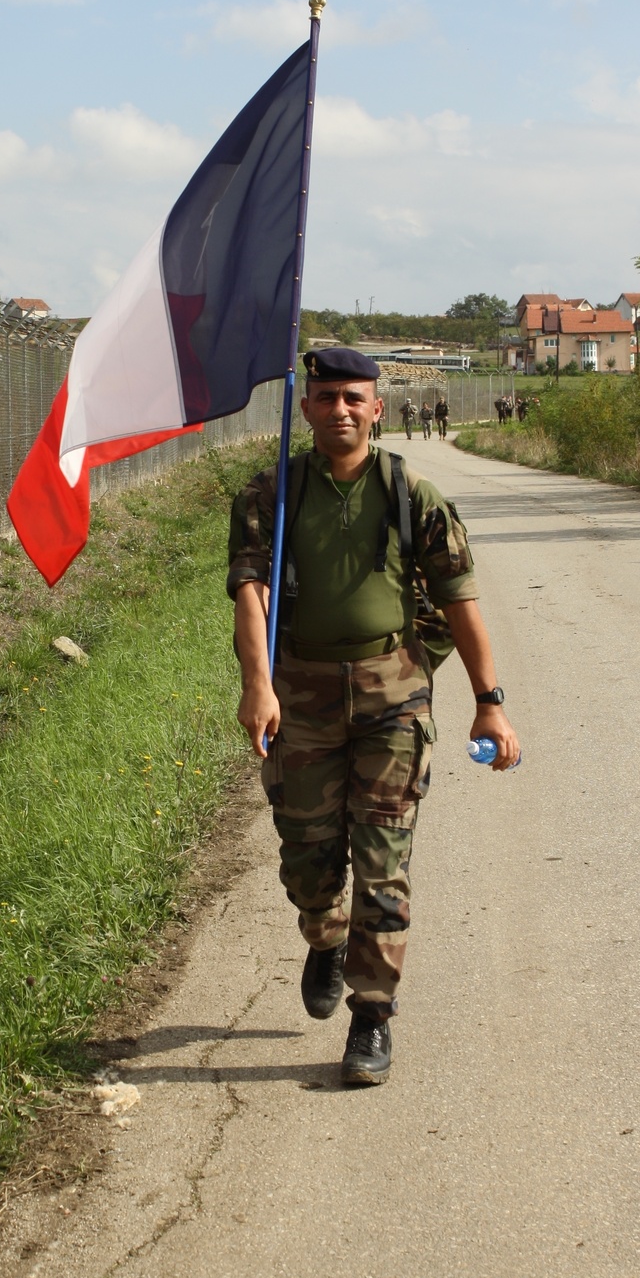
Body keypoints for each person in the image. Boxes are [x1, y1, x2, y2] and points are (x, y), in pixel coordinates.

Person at [228, 348, 520, 1086]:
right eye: (326, 398)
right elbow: (251, 597)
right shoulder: (271, 495)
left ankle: (371, 1017)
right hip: (299, 691)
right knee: (307, 857)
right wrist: (258, 686)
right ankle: (323, 937)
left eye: (354, 398)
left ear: (378, 407)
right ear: (306, 409)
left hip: (393, 698)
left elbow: (460, 599)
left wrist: (490, 704)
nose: (340, 410)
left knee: (383, 863)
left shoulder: (410, 492)